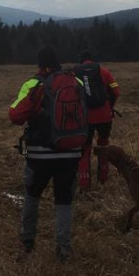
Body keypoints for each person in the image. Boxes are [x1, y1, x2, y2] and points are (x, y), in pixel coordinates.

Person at [9, 45, 84, 263]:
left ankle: (27, 242)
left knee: (32, 196)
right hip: (70, 152)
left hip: (39, 155)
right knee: (64, 201)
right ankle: (63, 249)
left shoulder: (33, 84)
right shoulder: (76, 83)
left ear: (40, 64)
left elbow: (15, 115)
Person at [73, 49, 121, 189]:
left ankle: (84, 182)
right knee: (103, 145)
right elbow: (116, 92)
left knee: (84, 148)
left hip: (85, 118)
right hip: (104, 116)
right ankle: (103, 178)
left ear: (80, 61)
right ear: (92, 60)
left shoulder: (75, 73)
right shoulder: (104, 71)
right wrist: (110, 107)